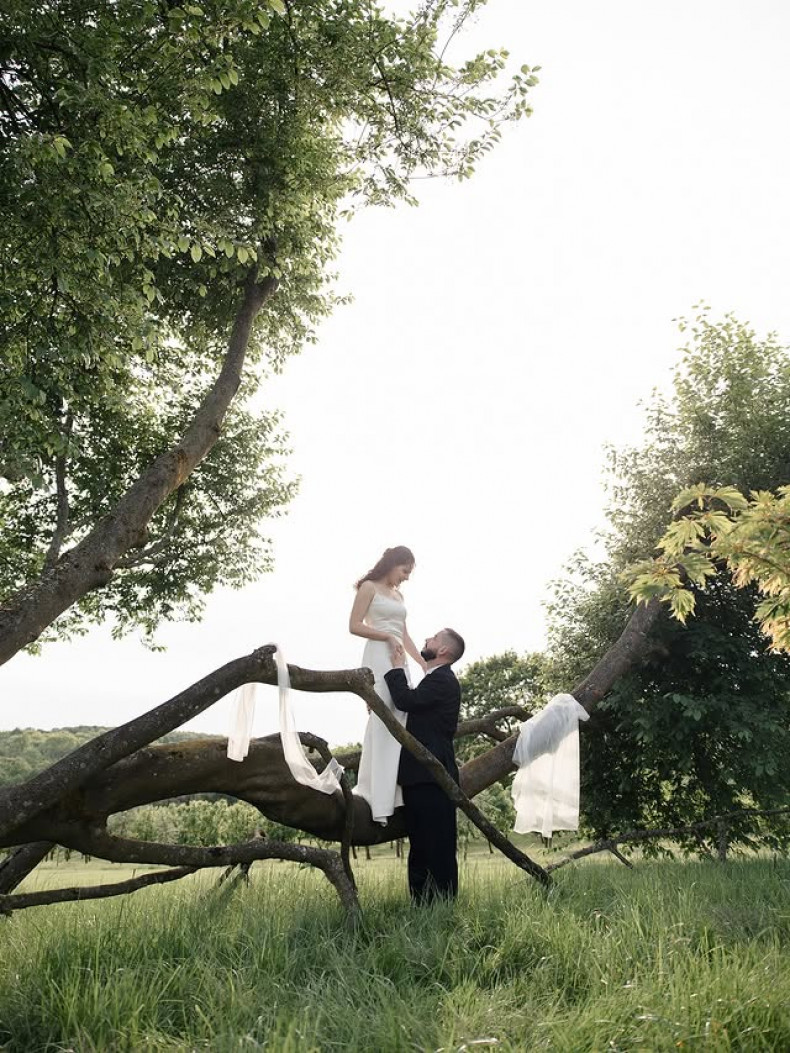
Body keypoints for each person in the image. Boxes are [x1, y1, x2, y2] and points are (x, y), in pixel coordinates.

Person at [385, 627, 465, 903]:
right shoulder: (433, 678)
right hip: (420, 775)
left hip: (433, 775)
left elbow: (406, 701)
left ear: (443, 650)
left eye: (434, 638)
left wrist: (397, 668)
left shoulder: (443, 680)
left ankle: (443, 905)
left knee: (438, 844)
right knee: (420, 845)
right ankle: (421, 906)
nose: (428, 639)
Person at [349, 546, 426, 824]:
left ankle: (396, 795)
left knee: (400, 720)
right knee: (382, 721)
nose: (406, 577)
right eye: (405, 570)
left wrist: (422, 663)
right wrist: (386, 637)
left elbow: (404, 635)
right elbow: (354, 625)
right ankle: (377, 800)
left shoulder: (399, 595)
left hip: (398, 659)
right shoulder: (368, 587)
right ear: (393, 564)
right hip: (378, 656)